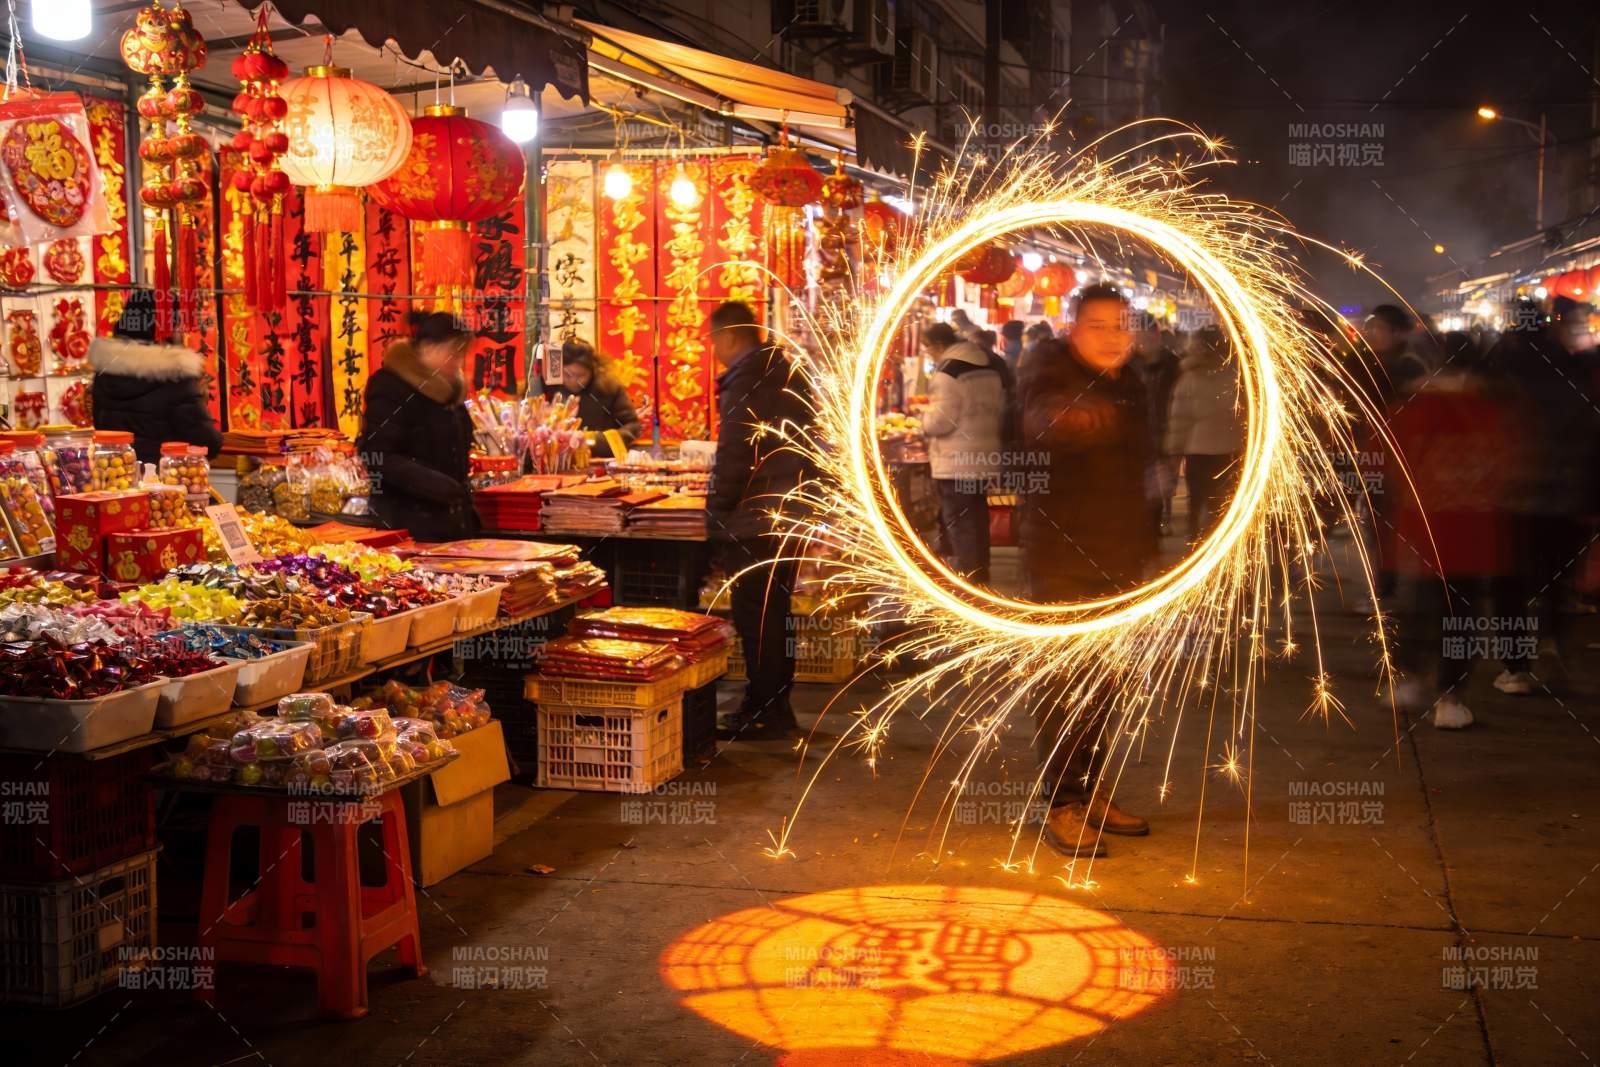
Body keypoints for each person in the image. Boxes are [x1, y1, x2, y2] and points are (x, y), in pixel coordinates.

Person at [1020, 284, 1155, 858]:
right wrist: (1079, 418)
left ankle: (1093, 790)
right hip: (1063, 557)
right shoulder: (1046, 374)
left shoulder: (1133, 384)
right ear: (1073, 330)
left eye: (1121, 326)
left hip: (1122, 553)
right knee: (1065, 684)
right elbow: (1038, 425)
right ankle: (1062, 804)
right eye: (1097, 326)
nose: (1111, 337)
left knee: (1107, 684)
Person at [1387, 333, 1517, 728]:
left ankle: (1408, 680)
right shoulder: (1493, 412)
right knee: (1459, 620)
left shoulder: (1414, 408)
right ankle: (1451, 698)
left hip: (1426, 531)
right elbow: (1510, 469)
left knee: (1418, 606)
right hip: (1475, 537)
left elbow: (1390, 463)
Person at [706, 301, 815, 740]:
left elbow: (735, 454)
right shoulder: (786, 371)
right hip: (791, 511)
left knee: (758, 615)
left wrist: (716, 513)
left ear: (729, 337)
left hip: (756, 518)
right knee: (778, 610)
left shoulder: (746, 380)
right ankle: (776, 703)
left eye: (713, 339)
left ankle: (765, 708)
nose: (714, 348)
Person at [358, 311, 479, 542]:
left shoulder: (451, 392)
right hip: (408, 523)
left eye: (460, 354)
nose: (458, 362)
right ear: (428, 349)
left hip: (452, 523)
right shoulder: (391, 386)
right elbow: (376, 454)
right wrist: (436, 484)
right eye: (452, 353)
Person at [89, 288, 223, 466]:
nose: (181, 332)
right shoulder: (174, 376)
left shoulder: (106, 372)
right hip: (168, 480)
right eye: (178, 325)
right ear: (163, 329)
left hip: (117, 476)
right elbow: (207, 442)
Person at [920, 322, 1004, 585]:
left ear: (941, 345)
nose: (929, 354)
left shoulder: (947, 374)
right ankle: (982, 575)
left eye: (928, 348)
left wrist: (923, 420)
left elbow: (940, 422)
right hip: (983, 455)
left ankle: (970, 582)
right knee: (977, 519)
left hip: (956, 460)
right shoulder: (987, 367)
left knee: (960, 522)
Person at [1164, 327, 1243, 542]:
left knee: (1196, 499)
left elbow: (1179, 420)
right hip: (1230, 449)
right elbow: (1245, 415)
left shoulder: (1188, 380)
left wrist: (1174, 451)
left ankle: (1195, 540)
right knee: (1223, 502)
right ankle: (1218, 540)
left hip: (1198, 450)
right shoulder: (1235, 376)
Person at [549, 339, 642, 458]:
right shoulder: (549, 388)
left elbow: (632, 425)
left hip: (601, 463)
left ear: (593, 370)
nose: (574, 381)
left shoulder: (609, 389)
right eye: (567, 375)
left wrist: (594, 440)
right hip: (554, 464)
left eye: (581, 375)